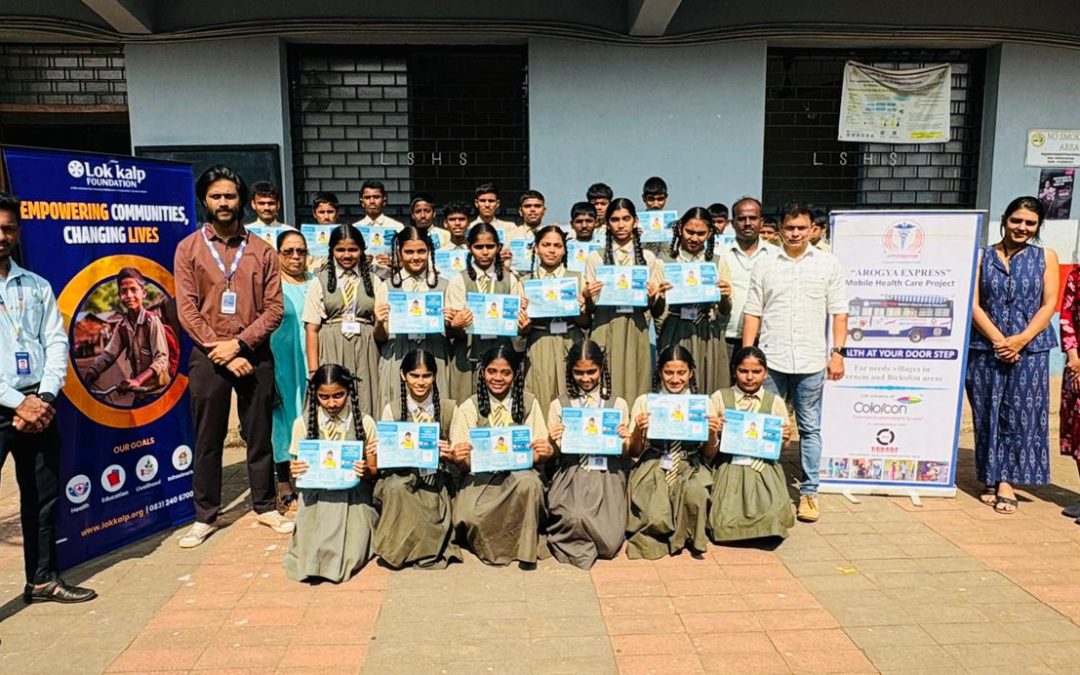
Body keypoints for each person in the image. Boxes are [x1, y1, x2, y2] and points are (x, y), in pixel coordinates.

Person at [174, 165, 291, 548]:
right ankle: (205, 515)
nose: (223, 203)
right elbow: (186, 310)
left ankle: (265, 505)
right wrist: (220, 350)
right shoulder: (189, 248)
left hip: (254, 353)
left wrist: (239, 345)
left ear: (241, 200)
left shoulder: (262, 251)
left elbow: (273, 309)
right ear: (204, 201)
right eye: (216, 196)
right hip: (207, 354)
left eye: (230, 195)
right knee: (208, 438)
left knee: (259, 434)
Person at [0, 192, 96, 604]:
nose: (1, 236)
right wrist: (15, 401)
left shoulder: (36, 285)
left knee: (42, 496)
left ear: (18, 232)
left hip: (39, 403)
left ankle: (41, 580)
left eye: (8, 228)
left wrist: (43, 396)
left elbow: (56, 341)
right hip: (8, 402)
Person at [742, 200, 847, 524]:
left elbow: (840, 313)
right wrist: (747, 355)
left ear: (812, 229)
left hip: (811, 361)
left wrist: (838, 354)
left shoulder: (828, 264)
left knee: (810, 428)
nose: (795, 233)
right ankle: (763, 489)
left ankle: (809, 492)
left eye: (802, 227)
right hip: (772, 359)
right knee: (766, 425)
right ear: (779, 230)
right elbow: (753, 312)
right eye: (789, 227)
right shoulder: (765, 264)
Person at [968, 196, 1058, 514]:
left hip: (1030, 350)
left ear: (1038, 226)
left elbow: (1049, 304)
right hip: (985, 348)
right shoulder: (981, 256)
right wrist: (998, 340)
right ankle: (990, 476)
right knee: (987, 411)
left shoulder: (1045, 257)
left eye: (1030, 223)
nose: (1022, 227)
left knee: (1020, 414)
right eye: (1016, 220)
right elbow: (973, 303)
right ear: (1004, 219)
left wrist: (1020, 340)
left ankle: (1007, 481)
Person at [449, 345, 551, 566]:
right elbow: (461, 458)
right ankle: (492, 547)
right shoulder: (469, 406)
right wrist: (460, 457)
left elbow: (540, 448)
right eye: (492, 371)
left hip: (518, 473)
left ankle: (525, 550)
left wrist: (543, 452)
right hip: (480, 477)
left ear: (515, 374)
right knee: (470, 515)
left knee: (530, 484)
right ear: (483, 372)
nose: (498, 378)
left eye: (505, 372)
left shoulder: (529, 402)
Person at [284, 364, 379, 582]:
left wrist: (365, 470)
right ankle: (317, 562)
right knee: (306, 546)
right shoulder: (302, 424)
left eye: (338, 395)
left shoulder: (365, 422)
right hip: (317, 495)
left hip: (353, 495)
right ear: (315, 394)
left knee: (352, 553)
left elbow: (374, 471)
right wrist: (295, 470)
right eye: (324, 397)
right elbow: (297, 470)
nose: (332, 403)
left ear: (349, 391)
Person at [626, 346, 721, 559]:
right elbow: (634, 451)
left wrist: (711, 433)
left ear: (691, 373)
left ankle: (689, 534)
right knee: (655, 513)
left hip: (690, 463)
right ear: (660, 372)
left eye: (681, 373)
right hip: (655, 460)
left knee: (696, 493)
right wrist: (639, 431)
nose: (675, 379)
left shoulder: (703, 404)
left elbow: (709, 455)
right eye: (669, 372)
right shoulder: (645, 402)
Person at [545, 340, 630, 569]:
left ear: (601, 369)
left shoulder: (617, 404)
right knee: (575, 516)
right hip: (573, 471)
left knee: (610, 543)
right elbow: (554, 453)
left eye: (591, 371)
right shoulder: (560, 404)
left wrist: (625, 438)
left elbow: (625, 452)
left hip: (606, 473)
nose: (585, 378)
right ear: (570, 371)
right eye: (579, 372)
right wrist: (553, 440)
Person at [375, 349, 462, 569]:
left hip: (436, 478)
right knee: (396, 489)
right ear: (403, 375)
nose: (421, 382)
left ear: (435, 376)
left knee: (431, 505)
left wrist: (450, 454)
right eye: (414, 375)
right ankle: (398, 550)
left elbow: (460, 454)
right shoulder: (392, 409)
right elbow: (385, 458)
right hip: (402, 475)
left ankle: (426, 548)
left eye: (426, 376)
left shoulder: (449, 408)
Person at [584, 197, 669, 405]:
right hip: (605, 326)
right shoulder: (596, 258)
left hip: (636, 327)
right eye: (614, 219)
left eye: (626, 219)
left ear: (635, 221)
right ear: (607, 223)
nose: (620, 225)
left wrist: (655, 296)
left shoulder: (648, 258)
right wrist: (587, 296)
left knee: (636, 382)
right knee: (605, 382)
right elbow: (591, 308)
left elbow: (656, 310)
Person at [708, 346, 794, 542]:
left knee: (772, 513)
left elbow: (782, 447)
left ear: (766, 373)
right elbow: (709, 449)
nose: (749, 377)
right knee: (724, 517)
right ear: (734, 371)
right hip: (729, 465)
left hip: (763, 466)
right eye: (743, 371)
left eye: (756, 371)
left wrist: (785, 438)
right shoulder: (720, 397)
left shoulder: (775, 402)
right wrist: (714, 431)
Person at [303, 223, 386, 416]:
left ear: (362, 250)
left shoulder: (374, 281)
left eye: (353, 250)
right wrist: (313, 370)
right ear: (331, 251)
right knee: (332, 394)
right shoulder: (319, 281)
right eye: (340, 250)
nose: (346, 255)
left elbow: (381, 331)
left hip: (365, 347)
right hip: (331, 344)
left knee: (365, 398)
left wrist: (380, 322)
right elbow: (311, 329)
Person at [445, 222, 525, 404]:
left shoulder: (510, 279)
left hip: (501, 354)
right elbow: (453, 327)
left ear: (498, 247)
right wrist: (455, 324)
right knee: (466, 403)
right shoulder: (458, 280)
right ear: (469, 247)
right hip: (468, 357)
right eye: (479, 247)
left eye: (490, 246)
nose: (485, 252)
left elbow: (517, 322)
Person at [657, 207, 733, 395]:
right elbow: (656, 311)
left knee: (709, 383)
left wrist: (725, 296)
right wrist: (659, 296)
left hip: (707, 330)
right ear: (680, 228)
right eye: (689, 232)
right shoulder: (665, 262)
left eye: (701, 233)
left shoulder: (718, 263)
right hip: (675, 328)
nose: (694, 238)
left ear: (709, 233)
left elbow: (724, 311)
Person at [374, 226, 451, 410]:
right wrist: (379, 323)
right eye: (409, 252)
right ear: (399, 253)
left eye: (421, 251)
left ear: (429, 251)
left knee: (435, 407)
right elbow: (380, 337)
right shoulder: (387, 286)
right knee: (396, 406)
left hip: (434, 351)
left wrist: (451, 323)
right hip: (398, 353)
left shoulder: (444, 285)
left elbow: (454, 333)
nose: (415, 257)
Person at [521, 225, 591, 411]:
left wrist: (581, 310)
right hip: (539, 340)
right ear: (536, 248)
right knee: (540, 393)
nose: (552, 250)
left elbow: (586, 323)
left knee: (572, 395)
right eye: (546, 245)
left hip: (570, 339)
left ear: (564, 250)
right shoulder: (525, 282)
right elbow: (521, 330)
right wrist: (524, 322)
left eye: (557, 246)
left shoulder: (577, 279)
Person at [270, 229, 313, 514]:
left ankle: (311, 475)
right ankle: (284, 481)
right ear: (278, 254)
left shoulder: (316, 282)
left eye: (301, 251)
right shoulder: (270, 285)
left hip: (312, 361)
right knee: (283, 420)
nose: (295, 257)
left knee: (310, 416)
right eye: (289, 251)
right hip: (282, 363)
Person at [83, 267, 171, 403]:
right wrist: (91, 373)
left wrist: (138, 380)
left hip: (157, 394)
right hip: (139, 394)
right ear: (119, 296)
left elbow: (162, 359)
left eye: (134, 290)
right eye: (124, 291)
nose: (129, 295)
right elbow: (109, 355)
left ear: (144, 293)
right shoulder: (122, 327)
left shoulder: (151, 321)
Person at [721, 198, 777, 360]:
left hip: (765, 338)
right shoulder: (719, 255)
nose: (747, 223)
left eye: (753, 218)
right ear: (732, 223)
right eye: (741, 218)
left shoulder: (776, 256)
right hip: (726, 337)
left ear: (761, 222)